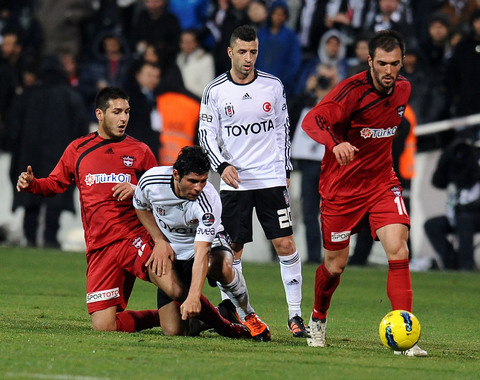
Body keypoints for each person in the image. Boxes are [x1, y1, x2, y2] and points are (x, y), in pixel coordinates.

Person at [16, 86, 248, 339]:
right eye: (117, 112)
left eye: (127, 111)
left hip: (134, 237)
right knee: (105, 326)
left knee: (175, 289)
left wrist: (158, 236)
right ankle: (205, 315)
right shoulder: (78, 150)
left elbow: (164, 194)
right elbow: (56, 183)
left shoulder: (140, 151)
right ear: (100, 114)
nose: (124, 118)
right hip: (100, 246)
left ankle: (228, 326)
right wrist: (33, 184)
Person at [301, 30, 427, 356]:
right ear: (369, 60)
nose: (389, 71)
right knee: (335, 265)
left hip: (382, 183)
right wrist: (336, 143)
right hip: (341, 189)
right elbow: (312, 120)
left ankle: (406, 336)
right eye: (382, 63)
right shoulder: (351, 92)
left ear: (402, 62)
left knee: (398, 250)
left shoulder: (403, 89)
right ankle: (318, 317)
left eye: (395, 64)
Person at [198, 24, 309, 338]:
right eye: (243, 52)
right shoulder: (215, 91)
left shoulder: (272, 86)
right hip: (234, 182)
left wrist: (284, 171)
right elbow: (206, 135)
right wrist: (221, 165)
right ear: (230, 52)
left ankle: (295, 315)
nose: (249, 58)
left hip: (270, 178)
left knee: (285, 244)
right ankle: (232, 309)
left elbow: (282, 129)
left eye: (254, 52)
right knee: (232, 250)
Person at [134, 145, 270, 340]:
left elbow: (201, 251)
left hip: (206, 247)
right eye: (192, 181)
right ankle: (221, 314)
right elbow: (140, 206)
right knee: (174, 331)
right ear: (175, 174)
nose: (198, 187)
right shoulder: (151, 181)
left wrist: (194, 297)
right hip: (173, 250)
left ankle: (247, 313)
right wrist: (159, 241)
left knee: (220, 264)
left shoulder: (208, 201)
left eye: (203, 181)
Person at [7, 56, 89, 248]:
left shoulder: (27, 96)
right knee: (55, 198)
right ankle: (51, 239)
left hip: (28, 158)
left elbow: (12, 131)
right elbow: (82, 132)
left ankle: (30, 239)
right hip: (59, 159)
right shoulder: (71, 97)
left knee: (30, 198)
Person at [424, 139, 480, 271]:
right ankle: (451, 264)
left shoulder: (476, 164)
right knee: (432, 225)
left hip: (475, 215)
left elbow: (472, 178)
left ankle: (466, 267)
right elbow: (438, 182)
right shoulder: (455, 164)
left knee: (464, 219)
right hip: (458, 214)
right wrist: (446, 158)